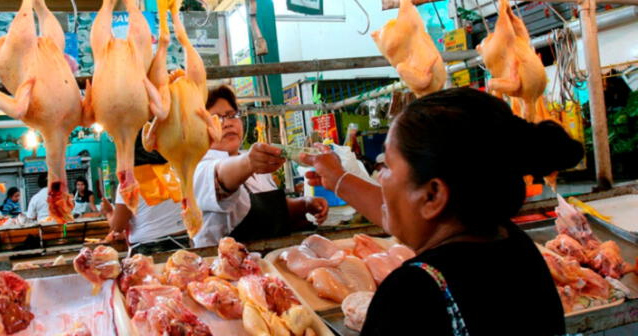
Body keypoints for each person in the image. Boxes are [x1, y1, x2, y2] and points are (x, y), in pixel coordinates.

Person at [301, 88, 581, 335]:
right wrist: (338, 179)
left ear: (433, 195)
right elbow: (397, 212)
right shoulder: (517, 247)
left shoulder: (413, 295)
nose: (380, 175)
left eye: (386, 165)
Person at [192, 85, 329, 247]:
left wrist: (305, 204)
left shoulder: (255, 163)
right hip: (226, 266)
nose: (227, 123)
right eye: (215, 118)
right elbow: (220, 177)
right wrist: (249, 163)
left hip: (271, 261)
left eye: (231, 115)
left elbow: (269, 212)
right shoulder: (198, 168)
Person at [107, 133, 187, 255]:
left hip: (149, 249)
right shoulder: (172, 173)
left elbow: (117, 227)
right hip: (184, 243)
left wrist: (107, 212)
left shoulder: (129, 183)